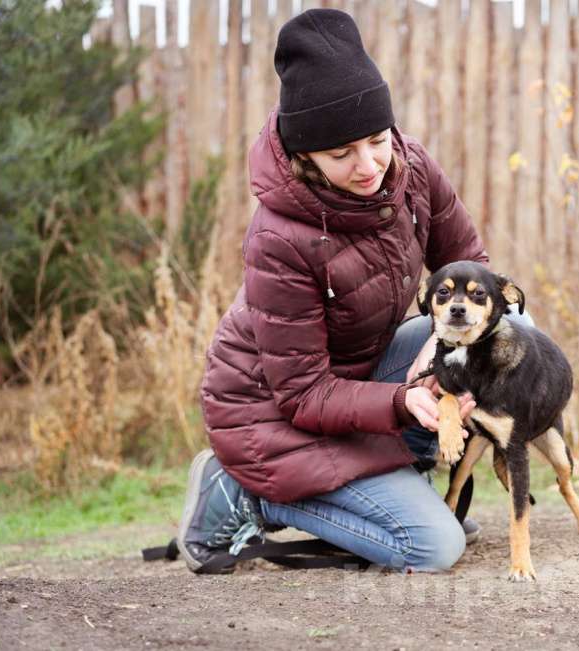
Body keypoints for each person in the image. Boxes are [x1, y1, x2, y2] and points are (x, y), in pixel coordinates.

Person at [177, 8, 531, 574]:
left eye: (376, 139)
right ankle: (245, 494)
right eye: (341, 154)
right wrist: (402, 399)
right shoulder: (278, 238)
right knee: (433, 548)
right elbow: (300, 393)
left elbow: (475, 268)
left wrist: (438, 352)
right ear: (304, 157)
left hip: (358, 375)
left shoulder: (410, 166)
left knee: (513, 329)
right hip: (273, 418)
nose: (368, 165)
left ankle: (401, 483)